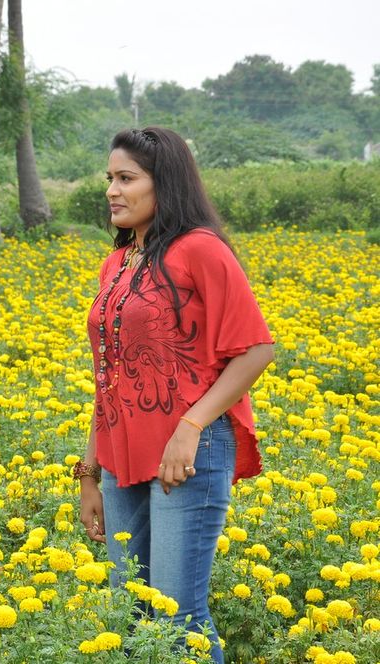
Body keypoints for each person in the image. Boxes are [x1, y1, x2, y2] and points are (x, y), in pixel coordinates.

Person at [76, 127, 274, 663]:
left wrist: (190, 426)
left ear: (163, 182)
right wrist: (89, 472)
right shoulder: (117, 262)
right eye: (109, 178)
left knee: (177, 615)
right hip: (120, 456)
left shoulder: (200, 250)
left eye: (126, 178)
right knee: (129, 613)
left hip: (186, 454)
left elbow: (256, 349)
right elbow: (108, 374)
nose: (112, 190)